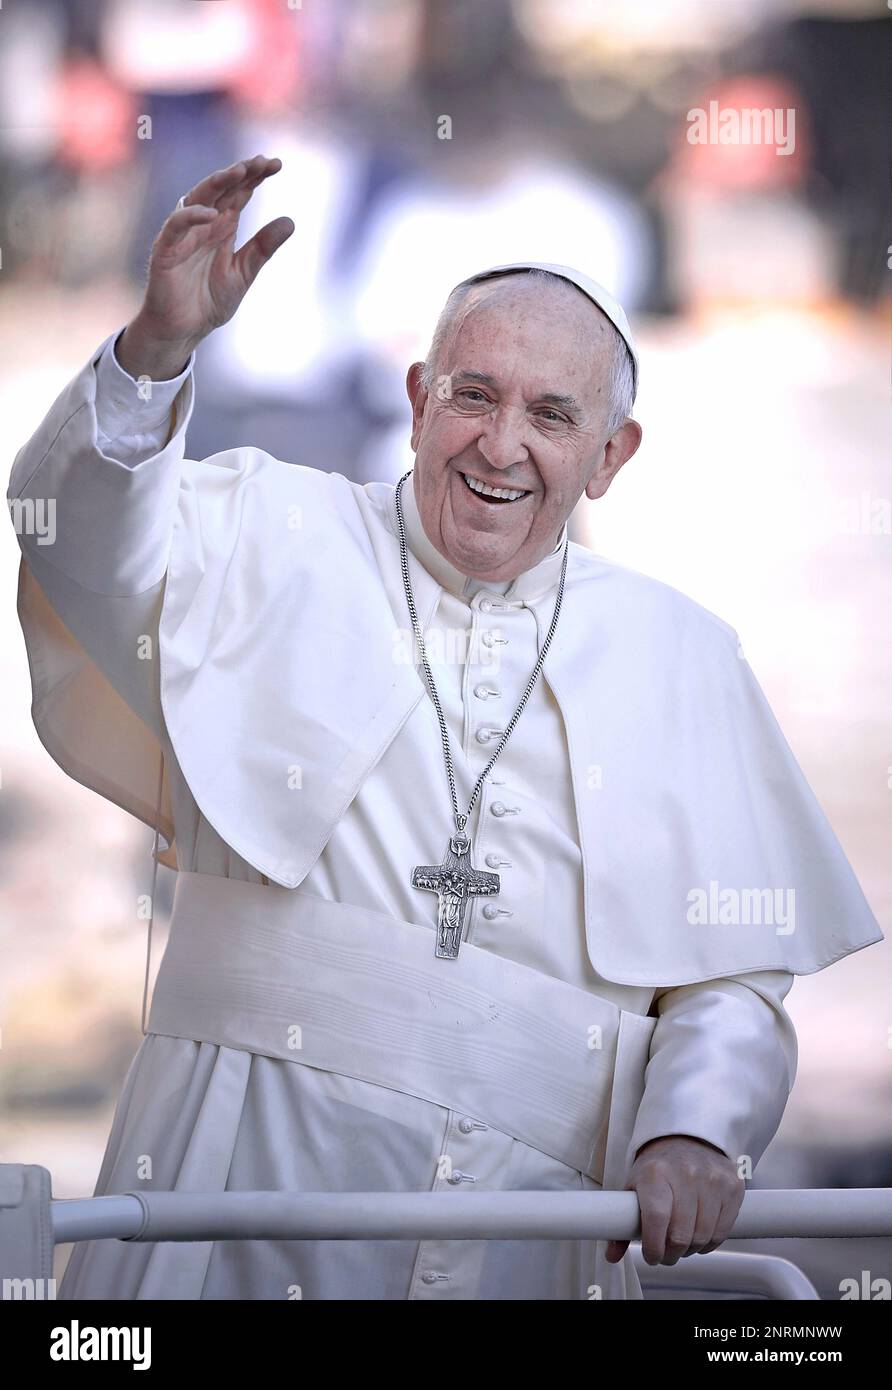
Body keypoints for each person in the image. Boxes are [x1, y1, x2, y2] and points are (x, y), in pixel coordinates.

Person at [7, 156, 882, 1301]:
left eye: (551, 414)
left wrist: (694, 1131)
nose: (499, 444)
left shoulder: (682, 653)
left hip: (527, 1230)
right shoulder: (270, 525)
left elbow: (730, 974)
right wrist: (155, 350)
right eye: (473, 395)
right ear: (419, 399)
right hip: (234, 1182)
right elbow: (70, 539)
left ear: (610, 458)